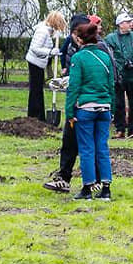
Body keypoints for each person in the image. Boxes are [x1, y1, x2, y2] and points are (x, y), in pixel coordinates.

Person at [65, 23, 115, 201]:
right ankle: (106, 189)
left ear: (80, 39)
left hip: (85, 109)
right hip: (104, 108)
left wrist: (69, 112)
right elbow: (111, 85)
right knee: (102, 148)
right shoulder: (105, 56)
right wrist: (113, 108)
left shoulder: (78, 58)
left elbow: (74, 87)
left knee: (87, 149)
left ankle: (87, 188)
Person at [43, 14, 92, 193]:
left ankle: (91, 183)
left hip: (84, 104)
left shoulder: (90, 51)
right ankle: (68, 178)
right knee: (73, 142)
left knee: (81, 143)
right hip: (92, 103)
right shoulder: (75, 47)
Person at [105, 13, 133, 139]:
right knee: (118, 103)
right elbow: (109, 56)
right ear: (120, 24)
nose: (130, 24)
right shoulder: (111, 38)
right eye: (127, 22)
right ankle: (120, 129)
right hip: (119, 76)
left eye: (130, 22)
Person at [25, 11, 67, 121]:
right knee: (36, 90)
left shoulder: (47, 31)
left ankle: (37, 116)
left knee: (37, 90)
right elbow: (35, 48)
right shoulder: (42, 32)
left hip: (39, 63)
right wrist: (50, 52)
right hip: (35, 63)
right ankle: (35, 116)